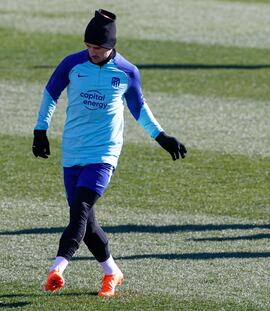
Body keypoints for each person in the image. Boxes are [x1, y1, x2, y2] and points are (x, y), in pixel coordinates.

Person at [32, 9, 187, 297]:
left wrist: (161, 136)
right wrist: (40, 130)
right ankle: (111, 272)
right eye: (89, 46)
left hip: (105, 153)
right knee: (87, 223)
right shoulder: (72, 64)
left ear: (111, 46)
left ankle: (57, 269)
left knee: (79, 210)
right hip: (73, 151)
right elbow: (50, 94)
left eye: (98, 48)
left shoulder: (127, 71)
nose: (92, 52)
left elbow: (139, 108)